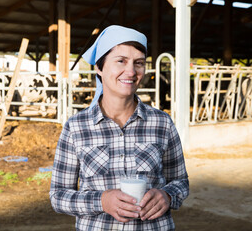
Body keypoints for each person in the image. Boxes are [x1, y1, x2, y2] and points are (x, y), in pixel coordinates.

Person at [50, 25, 189, 230]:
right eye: (121, 61)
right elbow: (58, 195)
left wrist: (167, 195)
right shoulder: (76, 127)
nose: (131, 71)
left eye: (138, 63)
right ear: (99, 67)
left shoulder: (162, 123)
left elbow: (180, 181)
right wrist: (101, 201)